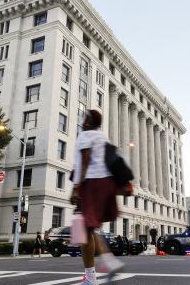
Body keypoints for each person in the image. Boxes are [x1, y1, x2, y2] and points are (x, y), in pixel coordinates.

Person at [70, 109, 125, 284]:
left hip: (92, 184)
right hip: (106, 184)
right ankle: (108, 265)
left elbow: (85, 160)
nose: (82, 120)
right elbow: (114, 160)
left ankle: (93, 277)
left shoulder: (86, 136)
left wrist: (77, 187)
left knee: (83, 232)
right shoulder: (103, 137)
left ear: (88, 122)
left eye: (84, 118)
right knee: (89, 229)